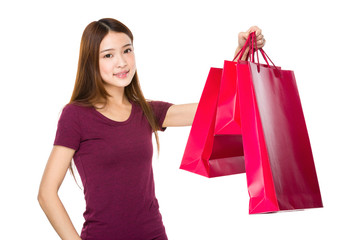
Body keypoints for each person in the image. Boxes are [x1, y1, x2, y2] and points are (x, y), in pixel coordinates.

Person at [37, 18, 265, 240]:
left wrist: (241, 55)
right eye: (108, 55)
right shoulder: (76, 116)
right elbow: (47, 193)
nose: (122, 62)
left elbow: (216, 109)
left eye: (127, 50)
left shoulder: (145, 111)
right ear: (91, 63)